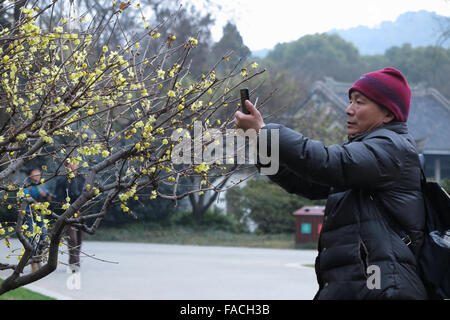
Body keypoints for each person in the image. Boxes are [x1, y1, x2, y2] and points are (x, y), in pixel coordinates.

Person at [234, 67, 428, 299]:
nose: (348, 110)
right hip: (356, 288)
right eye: (350, 101)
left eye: (360, 102)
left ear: (388, 113)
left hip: (383, 290)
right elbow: (307, 182)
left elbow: (328, 162)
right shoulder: (365, 153)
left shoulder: (391, 147)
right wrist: (260, 142)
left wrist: (266, 132)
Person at [54, 161, 86, 273]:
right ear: (66, 166)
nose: (73, 166)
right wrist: (69, 208)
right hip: (68, 213)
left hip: (81, 212)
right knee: (72, 239)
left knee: (79, 240)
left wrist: (81, 206)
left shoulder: (82, 178)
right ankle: (75, 264)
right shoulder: (62, 180)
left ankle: (73, 261)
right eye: (70, 164)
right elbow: (58, 197)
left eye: (75, 163)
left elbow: (85, 194)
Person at [23, 167, 52, 272]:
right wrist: (39, 194)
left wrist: (47, 195)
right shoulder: (27, 185)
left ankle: (38, 258)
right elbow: (26, 197)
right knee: (32, 236)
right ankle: (32, 261)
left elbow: (49, 197)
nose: (38, 176)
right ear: (30, 175)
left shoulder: (42, 185)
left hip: (41, 213)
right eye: (35, 174)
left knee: (43, 235)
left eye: (39, 174)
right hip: (30, 214)